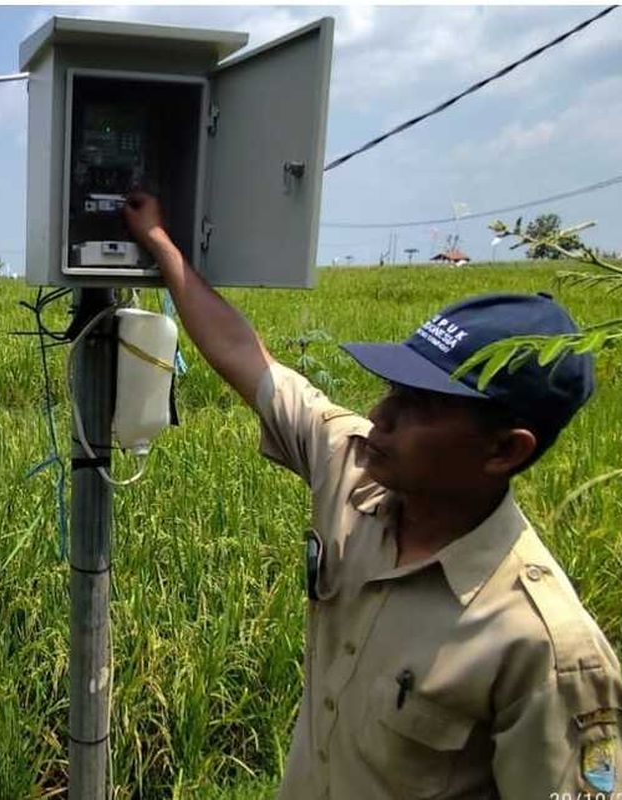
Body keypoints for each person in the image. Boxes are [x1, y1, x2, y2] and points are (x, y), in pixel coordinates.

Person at [121, 190, 622, 799]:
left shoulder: (544, 647)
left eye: (421, 404)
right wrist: (160, 244)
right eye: (392, 389)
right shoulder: (356, 472)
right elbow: (247, 360)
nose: (380, 415)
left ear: (505, 451)